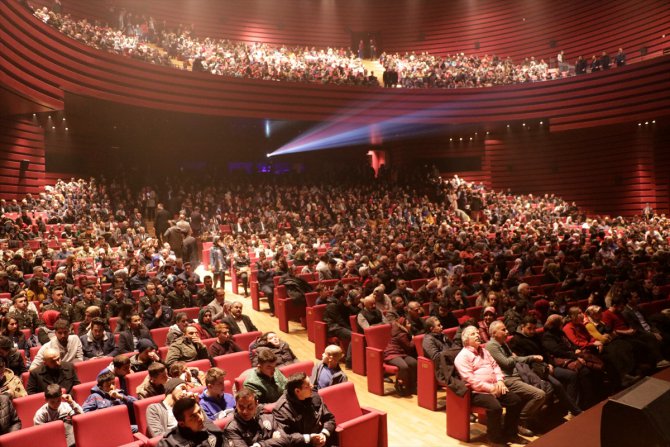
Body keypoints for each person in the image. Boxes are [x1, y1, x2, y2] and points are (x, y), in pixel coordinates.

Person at [454, 325, 525, 447]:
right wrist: (491, 388)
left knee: (516, 401)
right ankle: (494, 439)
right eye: (473, 334)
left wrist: (500, 381)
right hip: (476, 392)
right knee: (495, 407)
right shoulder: (462, 357)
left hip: (495, 386)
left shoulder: (484, 351)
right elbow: (472, 381)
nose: (477, 335)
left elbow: (495, 366)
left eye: (477, 333)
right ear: (466, 340)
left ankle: (510, 433)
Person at [273, 373, 337, 447]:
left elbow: (329, 418)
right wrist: (309, 438)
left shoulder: (314, 396)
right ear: (297, 391)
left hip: (322, 441)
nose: (312, 386)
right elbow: (284, 437)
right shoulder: (281, 410)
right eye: (308, 386)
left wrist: (324, 434)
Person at [224, 387, 290, 447]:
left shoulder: (266, 415)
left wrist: (261, 445)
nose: (245, 411)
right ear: (236, 405)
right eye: (241, 407)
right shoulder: (232, 428)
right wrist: (273, 441)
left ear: (256, 404)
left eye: (250, 407)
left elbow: (285, 440)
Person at [157, 396, 226, 447]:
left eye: (199, 412)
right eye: (193, 416)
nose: (201, 418)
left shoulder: (210, 428)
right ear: (182, 424)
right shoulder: (168, 444)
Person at [383, 311, 417, 396]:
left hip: (401, 353)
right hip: (392, 354)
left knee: (414, 362)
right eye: (408, 323)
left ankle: (412, 385)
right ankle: (399, 384)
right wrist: (413, 339)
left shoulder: (405, 332)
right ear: (404, 326)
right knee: (403, 367)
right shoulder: (401, 334)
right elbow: (409, 346)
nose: (410, 325)